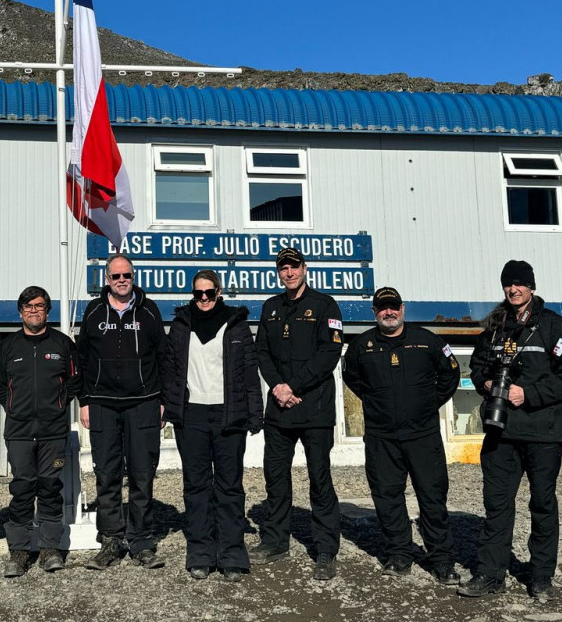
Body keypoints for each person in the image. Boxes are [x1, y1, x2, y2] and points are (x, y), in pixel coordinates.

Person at [459, 260, 562, 603]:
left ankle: (541, 576)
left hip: (543, 432)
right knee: (497, 505)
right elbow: (478, 365)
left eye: (518, 284)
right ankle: (490, 574)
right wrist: (487, 383)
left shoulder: (553, 326)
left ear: (531, 286)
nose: (512, 290)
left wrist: (527, 394)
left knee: (542, 503)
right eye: (507, 285)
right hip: (502, 433)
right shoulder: (496, 326)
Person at [342, 286, 460, 584]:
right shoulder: (361, 346)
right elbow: (351, 377)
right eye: (382, 308)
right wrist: (376, 403)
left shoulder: (427, 341)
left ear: (403, 308)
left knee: (432, 497)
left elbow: (451, 374)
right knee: (387, 496)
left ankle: (442, 560)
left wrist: (428, 403)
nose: (388, 312)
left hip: (423, 435)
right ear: (374, 312)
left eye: (393, 306)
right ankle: (399, 554)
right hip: (382, 437)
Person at [250, 246, 345, 580]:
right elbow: (261, 351)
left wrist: (294, 387)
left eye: (294, 267)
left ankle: (325, 550)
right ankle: (275, 540)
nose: (289, 273)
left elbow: (329, 352)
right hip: (278, 409)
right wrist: (277, 386)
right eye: (283, 268)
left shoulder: (324, 305)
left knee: (320, 480)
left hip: (314, 408)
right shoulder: (271, 307)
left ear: (305, 268)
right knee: (276, 477)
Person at [161, 270, 262, 581]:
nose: (203, 299)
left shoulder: (237, 324)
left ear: (219, 292)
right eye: (198, 294)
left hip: (228, 415)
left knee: (230, 486)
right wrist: (166, 407)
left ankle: (232, 554)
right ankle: (201, 553)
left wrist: (255, 413)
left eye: (209, 293)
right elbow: (169, 368)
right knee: (196, 486)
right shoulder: (180, 325)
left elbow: (248, 370)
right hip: (191, 416)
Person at [78, 253, 168, 571]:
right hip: (101, 403)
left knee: (142, 474)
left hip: (143, 402)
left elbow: (163, 356)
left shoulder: (149, 310)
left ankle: (141, 541)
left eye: (126, 275)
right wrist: (84, 401)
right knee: (107, 474)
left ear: (133, 276)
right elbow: (82, 360)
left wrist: (162, 401)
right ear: (106, 279)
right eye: (115, 276)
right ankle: (112, 540)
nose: (121, 281)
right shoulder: (93, 311)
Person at [0, 286, 82, 577]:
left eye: (40, 306)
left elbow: (74, 381)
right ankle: (18, 553)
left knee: (49, 488)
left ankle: (50, 550)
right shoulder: (7, 347)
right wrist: (14, 407)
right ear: (20, 311)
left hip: (52, 433)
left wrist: (57, 405)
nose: (34, 310)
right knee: (21, 489)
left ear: (47, 311)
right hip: (18, 433)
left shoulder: (63, 344)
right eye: (28, 306)